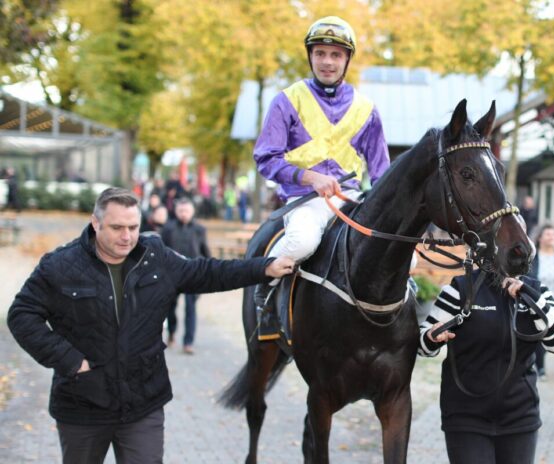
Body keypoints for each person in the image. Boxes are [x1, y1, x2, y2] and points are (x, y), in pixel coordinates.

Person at [6, 187, 295, 464]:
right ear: (96, 223)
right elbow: (21, 314)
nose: (127, 236)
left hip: (143, 402)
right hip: (82, 404)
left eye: (133, 227)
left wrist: (262, 268)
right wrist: (69, 360)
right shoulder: (60, 266)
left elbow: (206, 272)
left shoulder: (155, 257)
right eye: (117, 227)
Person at [252, 16, 390, 335]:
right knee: (302, 242)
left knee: (402, 259)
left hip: (351, 200)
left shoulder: (367, 109)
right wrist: (308, 177)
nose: (327, 61)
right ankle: (266, 291)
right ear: (310, 56)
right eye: (320, 53)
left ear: (346, 60)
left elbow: (381, 171)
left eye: (335, 55)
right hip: (304, 199)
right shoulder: (287, 100)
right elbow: (265, 157)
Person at [419, 271, 554, 464]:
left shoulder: (536, 290)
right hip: (466, 416)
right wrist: (431, 337)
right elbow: (422, 346)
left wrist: (532, 298)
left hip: (520, 416)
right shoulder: (460, 289)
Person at [161, 198, 210, 354]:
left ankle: (188, 342)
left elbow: (205, 252)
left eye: (186, 211)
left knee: (191, 309)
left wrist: (207, 274)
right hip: (172, 275)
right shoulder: (168, 228)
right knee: (170, 308)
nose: (183, 214)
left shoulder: (200, 229)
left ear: (192, 212)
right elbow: (162, 252)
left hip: (192, 274)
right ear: (176, 211)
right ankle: (172, 333)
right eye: (181, 211)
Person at [529, 223, 554, 380]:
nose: (551, 237)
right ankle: (540, 367)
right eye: (548, 234)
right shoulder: (533, 258)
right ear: (539, 238)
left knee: (548, 336)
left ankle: (537, 364)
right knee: (539, 335)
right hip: (537, 305)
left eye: (553, 234)